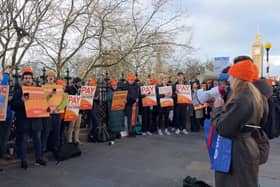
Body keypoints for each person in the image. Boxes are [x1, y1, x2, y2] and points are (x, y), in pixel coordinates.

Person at [211, 60, 264, 187]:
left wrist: (217, 109)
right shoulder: (253, 95)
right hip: (246, 147)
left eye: (231, 76)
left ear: (238, 78)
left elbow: (224, 128)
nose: (229, 79)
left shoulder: (242, 99)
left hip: (237, 152)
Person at [11, 67, 46, 169]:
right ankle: (24, 160)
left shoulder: (38, 90)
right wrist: (21, 101)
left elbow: (43, 104)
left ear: (32, 79)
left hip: (36, 120)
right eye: (26, 78)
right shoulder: (18, 91)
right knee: (23, 141)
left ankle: (38, 158)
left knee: (37, 140)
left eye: (29, 78)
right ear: (22, 80)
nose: (28, 80)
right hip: (23, 120)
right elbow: (13, 106)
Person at [41, 70, 67, 153]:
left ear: (54, 77)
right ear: (46, 78)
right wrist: (49, 96)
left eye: (52, 75)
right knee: (46, 132)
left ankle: (55, 147)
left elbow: (65, 100)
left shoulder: (59, 87)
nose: (51, 77)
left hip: (57, 113)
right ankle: (44, 148)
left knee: (56, 131)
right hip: (47, 113)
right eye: (49, 75)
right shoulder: (43, 87)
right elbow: (41, 100)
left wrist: (58, 108)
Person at [107, 80, 125, 144]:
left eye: (115, 85)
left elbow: (123, 98)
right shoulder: (109, 91)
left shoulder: (119, 91)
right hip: (113, 110)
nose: (115, 86)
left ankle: (117, 134)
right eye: (113, 85)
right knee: (113, 122)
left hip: (118, 109)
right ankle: (113, 136)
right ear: (111, 86)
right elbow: (108, 98)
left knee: (118, 122)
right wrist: (115, 95)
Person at [65, 77, 82, 143]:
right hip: (72, 109)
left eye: (80, 82)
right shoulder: (69, 88)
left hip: (79, 110)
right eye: (79, 82)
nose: (80, 83)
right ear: (75, 82)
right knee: (71, 126)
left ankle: (76, 139)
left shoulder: (81, 89)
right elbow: (67, 96)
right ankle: (69, 140)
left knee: (78, 126)